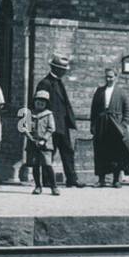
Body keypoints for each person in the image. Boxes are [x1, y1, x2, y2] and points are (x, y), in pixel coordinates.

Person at [35, 55, 84, 188]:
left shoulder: (58, 81)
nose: (64, 71)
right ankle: (46, 180)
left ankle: (72, 179)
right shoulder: (45, 83)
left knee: (67, 151)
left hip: (62, 123)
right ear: (54, 68)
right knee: (49, 152)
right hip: (50, 124)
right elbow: (39, 105)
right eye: (62, 69)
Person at [90, 66, 129, 187]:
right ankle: (101, 179)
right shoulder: (99, 91)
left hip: (115, 126)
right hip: (102, 125)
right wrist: (93, 125)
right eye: (107, 76)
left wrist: (123, 124)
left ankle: (116, 179)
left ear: (116, 77)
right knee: (101, 152)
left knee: (116, 152)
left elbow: (127, 110)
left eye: (111, 76)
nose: (108, 79)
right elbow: (93, 110)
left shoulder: (121, 93)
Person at [23, 89, 61, 196]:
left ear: (46, 104)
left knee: (47, 165)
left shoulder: (48, 115)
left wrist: (44, 139)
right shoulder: (30, 114)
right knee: (35, 166)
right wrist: (28, 134)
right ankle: (38, 186)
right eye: (38, 101)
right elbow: (25, 127)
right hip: (33, 144)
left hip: (45, 145)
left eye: (43, 102)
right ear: (34, 102)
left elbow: (51, 128)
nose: (40, 104)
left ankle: (54, 187)